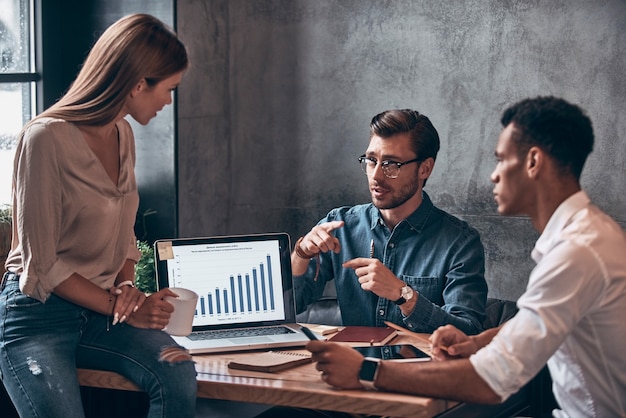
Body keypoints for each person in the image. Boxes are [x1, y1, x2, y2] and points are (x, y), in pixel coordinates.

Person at [307, 97, 626, 417]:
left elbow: (490, 380)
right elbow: (536, 324)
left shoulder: (577, 252)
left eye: (501, 160)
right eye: (371, 160)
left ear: (533, 162)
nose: (494, 175)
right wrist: (477, 343)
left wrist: (367, 371)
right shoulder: (585, 237)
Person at [0, 14, 197, 417]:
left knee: (176, 370)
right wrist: (121, 305)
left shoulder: (122, 134)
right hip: (37, 315)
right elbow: (43, 266)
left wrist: (126, 286)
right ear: (138, 84)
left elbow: (124, 237)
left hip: (98, 312)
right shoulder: (45, 139)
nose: (168, 102)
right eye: (168, 89)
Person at [293, 109, 488, 335]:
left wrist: (403, 294)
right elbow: (293, 304)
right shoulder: (340, 225)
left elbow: (468, 333)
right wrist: (301, 254)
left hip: (419, 370)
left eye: (391, 165)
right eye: (371, 161)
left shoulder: (460, 243)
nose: (376, 176)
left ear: (425, 168)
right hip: (352, 368)